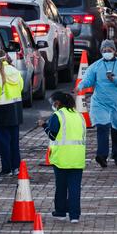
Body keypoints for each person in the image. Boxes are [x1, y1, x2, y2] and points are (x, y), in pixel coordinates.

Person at [76, 40, 117, 167]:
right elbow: (88, 80)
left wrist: (115, 79)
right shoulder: (96, 66)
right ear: (101, 52)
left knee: (116, 129)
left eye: (109, 50)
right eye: (104, 50)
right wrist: (80, 86)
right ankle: (101, 156)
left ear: (114, 51)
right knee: (102, 127)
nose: (107, 52)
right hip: (100, 102)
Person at [37, 92, 86, 223]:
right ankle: (74, 215)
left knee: (61, 186)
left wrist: (43, 125)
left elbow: (52, 135)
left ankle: (61, 211)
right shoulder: (79, 116)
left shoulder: (58, 115)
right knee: (75, 187)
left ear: (57, 103)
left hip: (62, 158)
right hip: (78, 157)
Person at [0, 49, 23, 176]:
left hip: (2, 109)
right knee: (14, 141)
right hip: (16, 108)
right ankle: (16, 167)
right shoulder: (15, 71)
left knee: (4, 142)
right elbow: (21, 87)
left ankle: (6, 168)